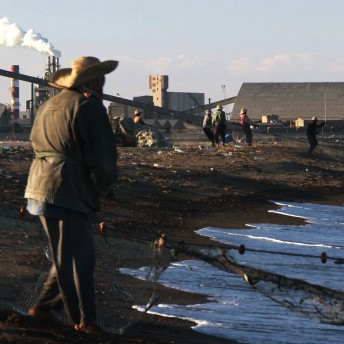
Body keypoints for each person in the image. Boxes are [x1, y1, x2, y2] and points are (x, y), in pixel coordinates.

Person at [24, 56, 118, 335]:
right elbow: (103, 158)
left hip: (38, 184)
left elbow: (34, 142)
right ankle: (84, 320)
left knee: (64, 253)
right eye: (100, 77)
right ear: (89, 82)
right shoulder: (90, 108)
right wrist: (106, 186)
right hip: (68, 189)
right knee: (82, 258)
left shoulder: (47, 105)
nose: (103, 82)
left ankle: (44, 307)